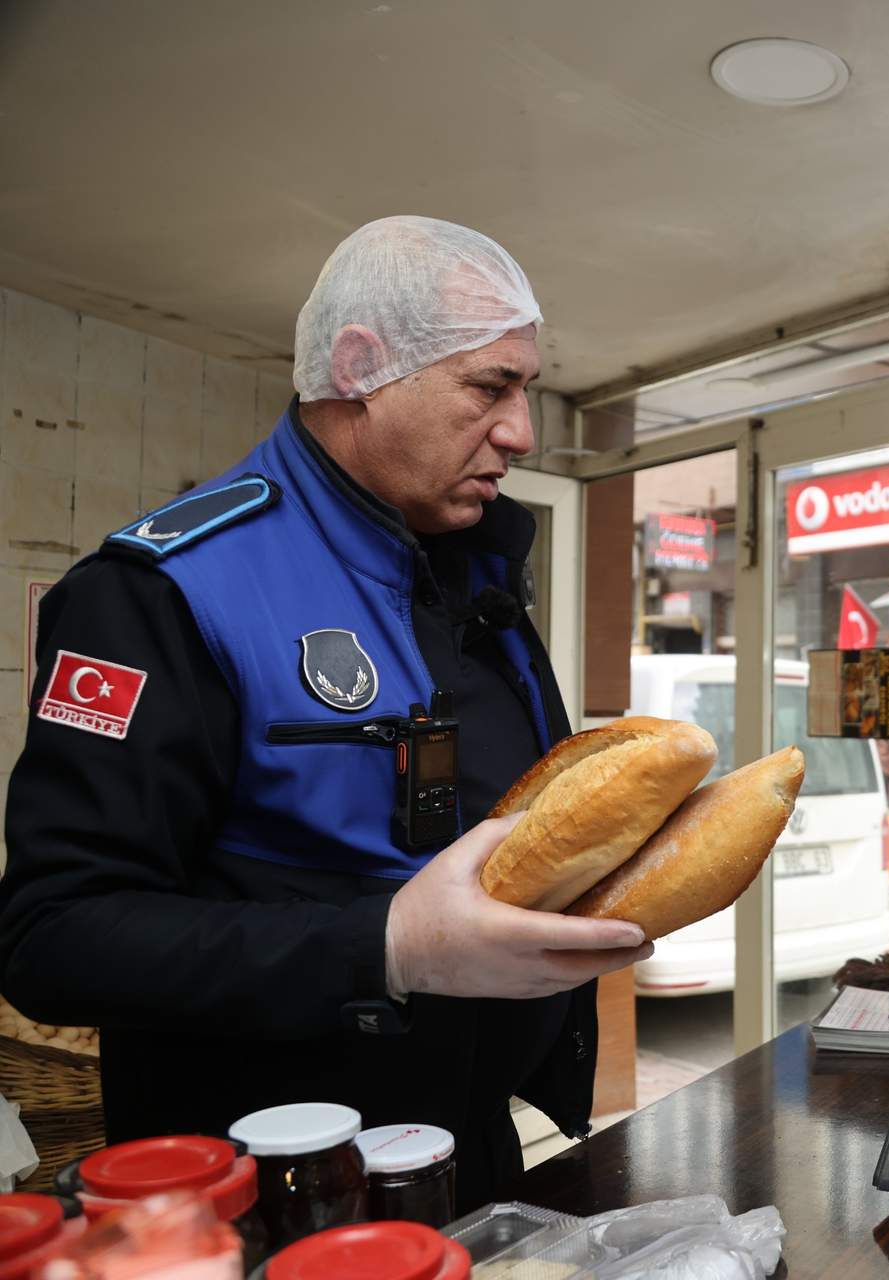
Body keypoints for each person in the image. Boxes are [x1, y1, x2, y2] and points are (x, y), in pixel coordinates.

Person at [0, 217, 652, 1209]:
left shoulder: (476, 573)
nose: (520, 430)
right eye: (491, 386)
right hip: (267, 1193)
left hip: (467, 1157)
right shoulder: (165, 588)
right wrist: (385, 945)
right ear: (360, 367)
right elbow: (54, 936)